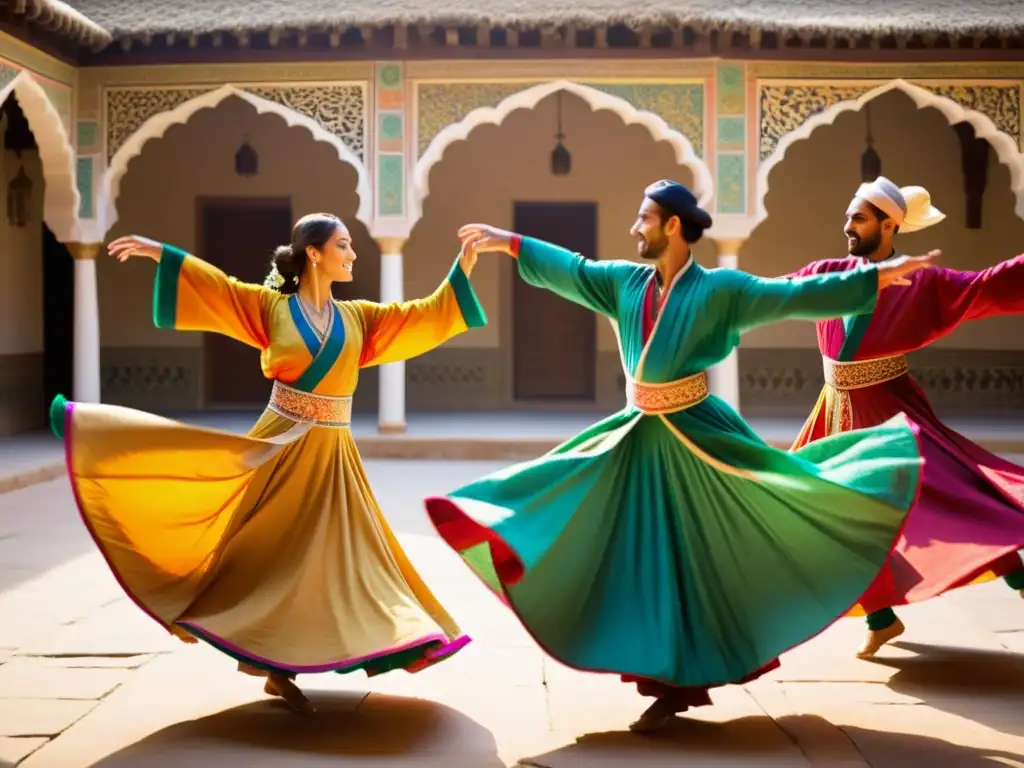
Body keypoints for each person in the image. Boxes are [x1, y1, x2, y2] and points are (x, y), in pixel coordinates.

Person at [423, 180, 938, 733]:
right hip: (637, 436)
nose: (633, 227)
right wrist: (510, 242)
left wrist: (873, 278)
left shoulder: (718, 290)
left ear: (672, 226)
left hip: (698, 438)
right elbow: (571, 269)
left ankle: (680, 683)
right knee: (595, 529)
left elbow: (784, 298)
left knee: (697, 557)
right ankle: (658, 669)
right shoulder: (623, 282)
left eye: (643, 218)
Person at [51, 213, 487, 713]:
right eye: (343, 245)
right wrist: (161, 254)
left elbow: (423, 314)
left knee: (341, 556)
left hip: (332, 454)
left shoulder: (359, 318)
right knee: (264, 553)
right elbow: (220, 289)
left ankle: (382, 637)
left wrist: (463, 269)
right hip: (279, 442)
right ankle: (91, 432)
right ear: (314, 253)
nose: (353, 254)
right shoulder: (270, 308)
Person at [787, 177, 1024, 659]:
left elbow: (986, 286)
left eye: (859, 217)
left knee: (952, 502)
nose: (847, 225)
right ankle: (880, 618)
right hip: (834, 412)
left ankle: (1021, 578)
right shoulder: (827, 272)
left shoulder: (920, 280)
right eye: (849, 215)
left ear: (889, 224)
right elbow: (768, 293)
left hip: (887, 413)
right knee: (824, 515)